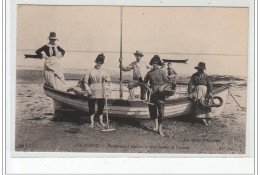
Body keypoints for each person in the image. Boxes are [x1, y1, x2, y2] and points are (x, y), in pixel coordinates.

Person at [83, 53, 111, 128]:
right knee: (91, 106)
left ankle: (101, 121)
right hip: (92, 90)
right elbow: (85, 81)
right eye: (98, 62)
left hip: (101, 91)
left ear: (102, 63)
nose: (99, 64)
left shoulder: (104, 71)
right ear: (95, 62)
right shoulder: (90, 70)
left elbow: (109, 80)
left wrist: (106, 79)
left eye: (100, 63)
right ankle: (92, 122)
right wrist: (88, 89)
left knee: (101, 107)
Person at [144, 55, 168, 136]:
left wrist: (162, 87)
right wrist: (148, 88)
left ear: (158, 64)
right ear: (151, 64)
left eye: (156, 63)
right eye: (153, 63)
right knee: (153, 111)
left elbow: (167, 82)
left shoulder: (162, 72)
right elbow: (144, 83)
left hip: (160, 94)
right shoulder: (149, 73)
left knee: (161, 112)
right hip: (151, 94)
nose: (154, 65)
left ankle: (160, 129)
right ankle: (156, 126)